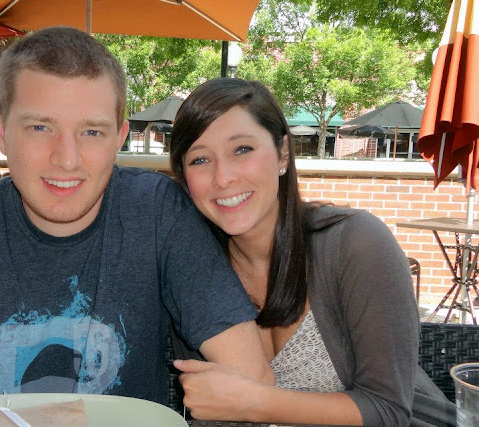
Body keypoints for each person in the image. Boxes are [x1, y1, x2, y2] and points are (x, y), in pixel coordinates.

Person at [0, 29, 272, 426]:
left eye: (92, 132)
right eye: (40, 127)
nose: (66, 159)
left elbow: (251, 378)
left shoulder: (160, 213)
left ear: (119, 137)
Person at [170, 78, 456, 426]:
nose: (223, 177)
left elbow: (388, 411)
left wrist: (252, 402)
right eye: (200, 159)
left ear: (283, 153)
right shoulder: (194, 275)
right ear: (184, 178)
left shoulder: (355, 244)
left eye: (242, 149)